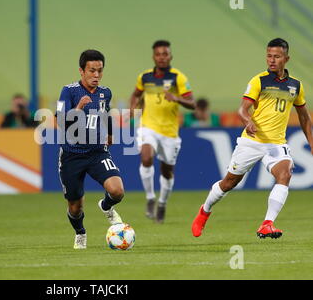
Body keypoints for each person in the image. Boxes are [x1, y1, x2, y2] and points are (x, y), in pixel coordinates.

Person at [192, 38, 313, 239]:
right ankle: (204, 211)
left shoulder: (296, 86)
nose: (272, 60)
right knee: (229, 183)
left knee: (285, 174)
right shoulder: (259, 81)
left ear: (286, 58)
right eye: (269, 56)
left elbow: (304, 117)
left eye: (276, 56)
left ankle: (267, 224)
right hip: (252, 141)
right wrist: (248, 121)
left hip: (276, 144)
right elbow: (241, 109)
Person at [56, 49, 125, 249]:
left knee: (117, 191)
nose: (96, 75)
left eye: (100, 71)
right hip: (72, 155)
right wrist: (78, 107)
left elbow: (106, 112)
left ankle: (106, 206)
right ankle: (80, 232)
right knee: (75, 207)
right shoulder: (69, 91)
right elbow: (61, 122)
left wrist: (110, 133)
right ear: (81, 71)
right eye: (92, 71)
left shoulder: (105, 92)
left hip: (97, 152)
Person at [130, 40, 195, 223]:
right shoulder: (144, 77)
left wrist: (176, 98)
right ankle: (150, 198)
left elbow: (192, 103)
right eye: (158, 54)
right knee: (146, 157)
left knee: (167, 172)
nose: (162, 57)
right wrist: (133, 111)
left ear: (170, 56)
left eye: (165, 54)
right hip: (148, 127)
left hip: (169, 133)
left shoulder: (178, 78)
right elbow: (135, 94)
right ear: (153, 57)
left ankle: (162, 202)